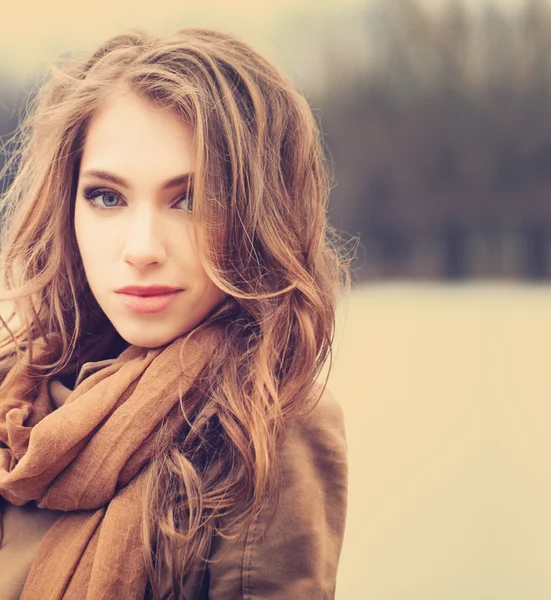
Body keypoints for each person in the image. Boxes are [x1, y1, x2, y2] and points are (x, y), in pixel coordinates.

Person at [0, 27, 351, 600]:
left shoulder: (266, 421)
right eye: (107, 197)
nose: (141, 247)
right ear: (67, 208)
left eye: (190, 199)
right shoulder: (18, 386)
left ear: (257, 217)